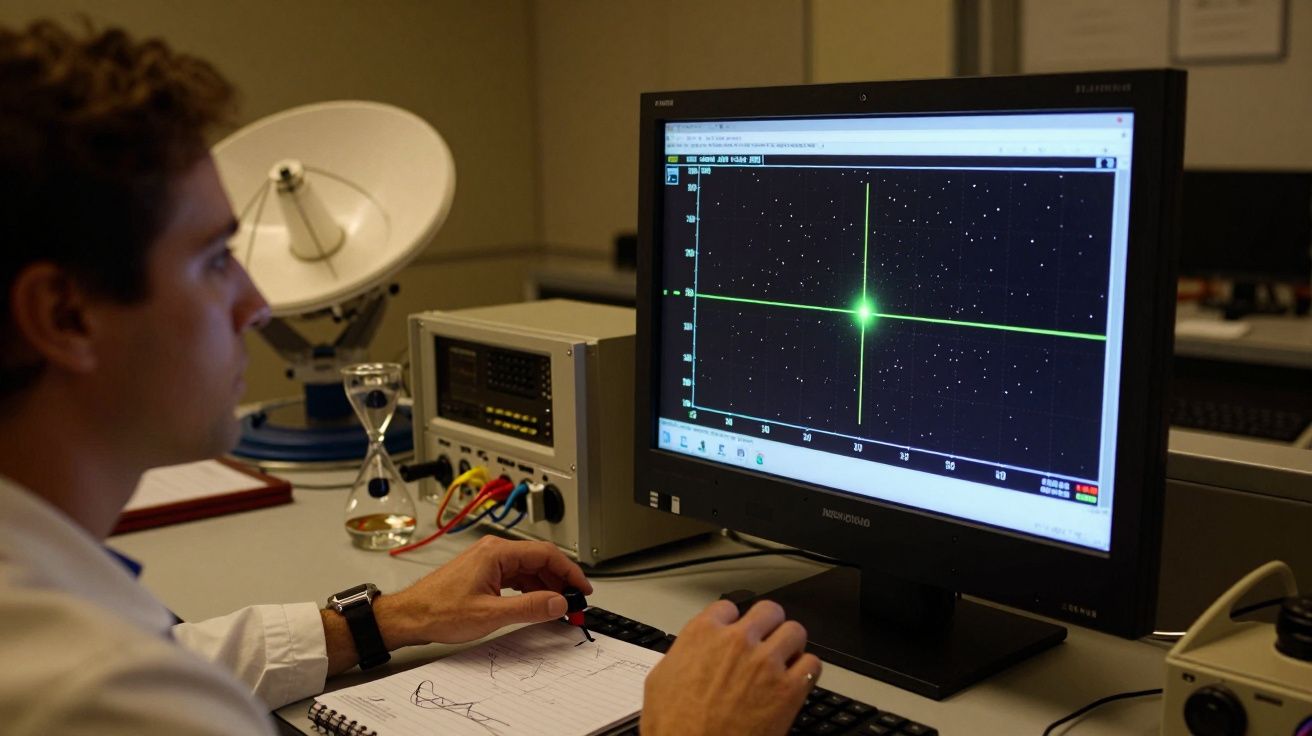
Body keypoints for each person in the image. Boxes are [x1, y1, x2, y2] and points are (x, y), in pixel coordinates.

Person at [0, 19, 822, 736]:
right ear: (65, 317)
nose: (255, 302)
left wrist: (381, 621)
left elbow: (167, 656)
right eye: (216, 260)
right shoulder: (94, 691)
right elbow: (138, 684)